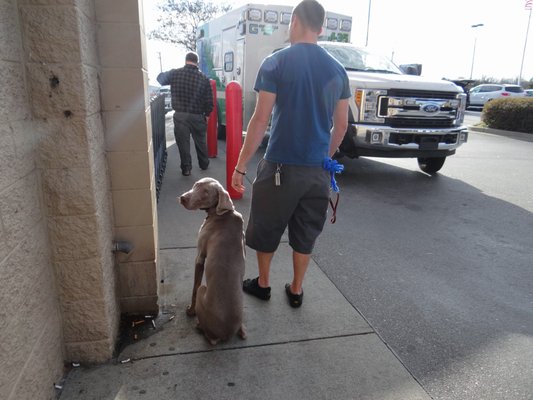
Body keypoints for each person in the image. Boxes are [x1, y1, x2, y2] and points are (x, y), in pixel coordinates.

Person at [230, 0, 350, 308]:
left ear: (294, 21)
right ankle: (296, 289)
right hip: (317, 172)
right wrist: (325, 156)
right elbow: (341, 125)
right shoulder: (338, 70)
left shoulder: (276, 62)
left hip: (280, 165)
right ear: (322, 28)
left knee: (267, 226)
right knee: (306, 231)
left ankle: (264, 283)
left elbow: (260, 120)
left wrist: (240, 167)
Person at [157, 52, 213, 176]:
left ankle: (186, 169)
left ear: (186, 60)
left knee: (183, 143)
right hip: (198, 115)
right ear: (197, 62)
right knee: (201, 141)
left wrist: (171, 72)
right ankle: (204, 164)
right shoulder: (203, 78)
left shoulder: (175, 73)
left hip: (180, 115)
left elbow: (159, 78)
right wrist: (207, 115)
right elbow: (209, 100)